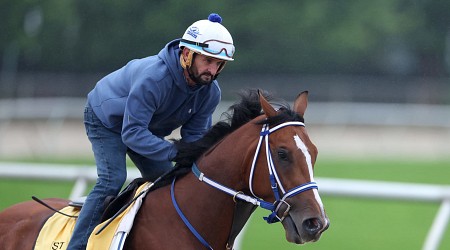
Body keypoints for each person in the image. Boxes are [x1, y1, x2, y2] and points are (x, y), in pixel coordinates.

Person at [67, 13, 235, 250]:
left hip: (143, 128)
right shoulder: (154, 78)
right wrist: (174, 151)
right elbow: (132, 133)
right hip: (107, 120)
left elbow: (195, 138)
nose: (212, 70)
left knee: (169, 182)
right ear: (187, 54)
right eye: (207, 60)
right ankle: (76, 246)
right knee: (111, 179)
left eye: (219, 64)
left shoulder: (210, 92)